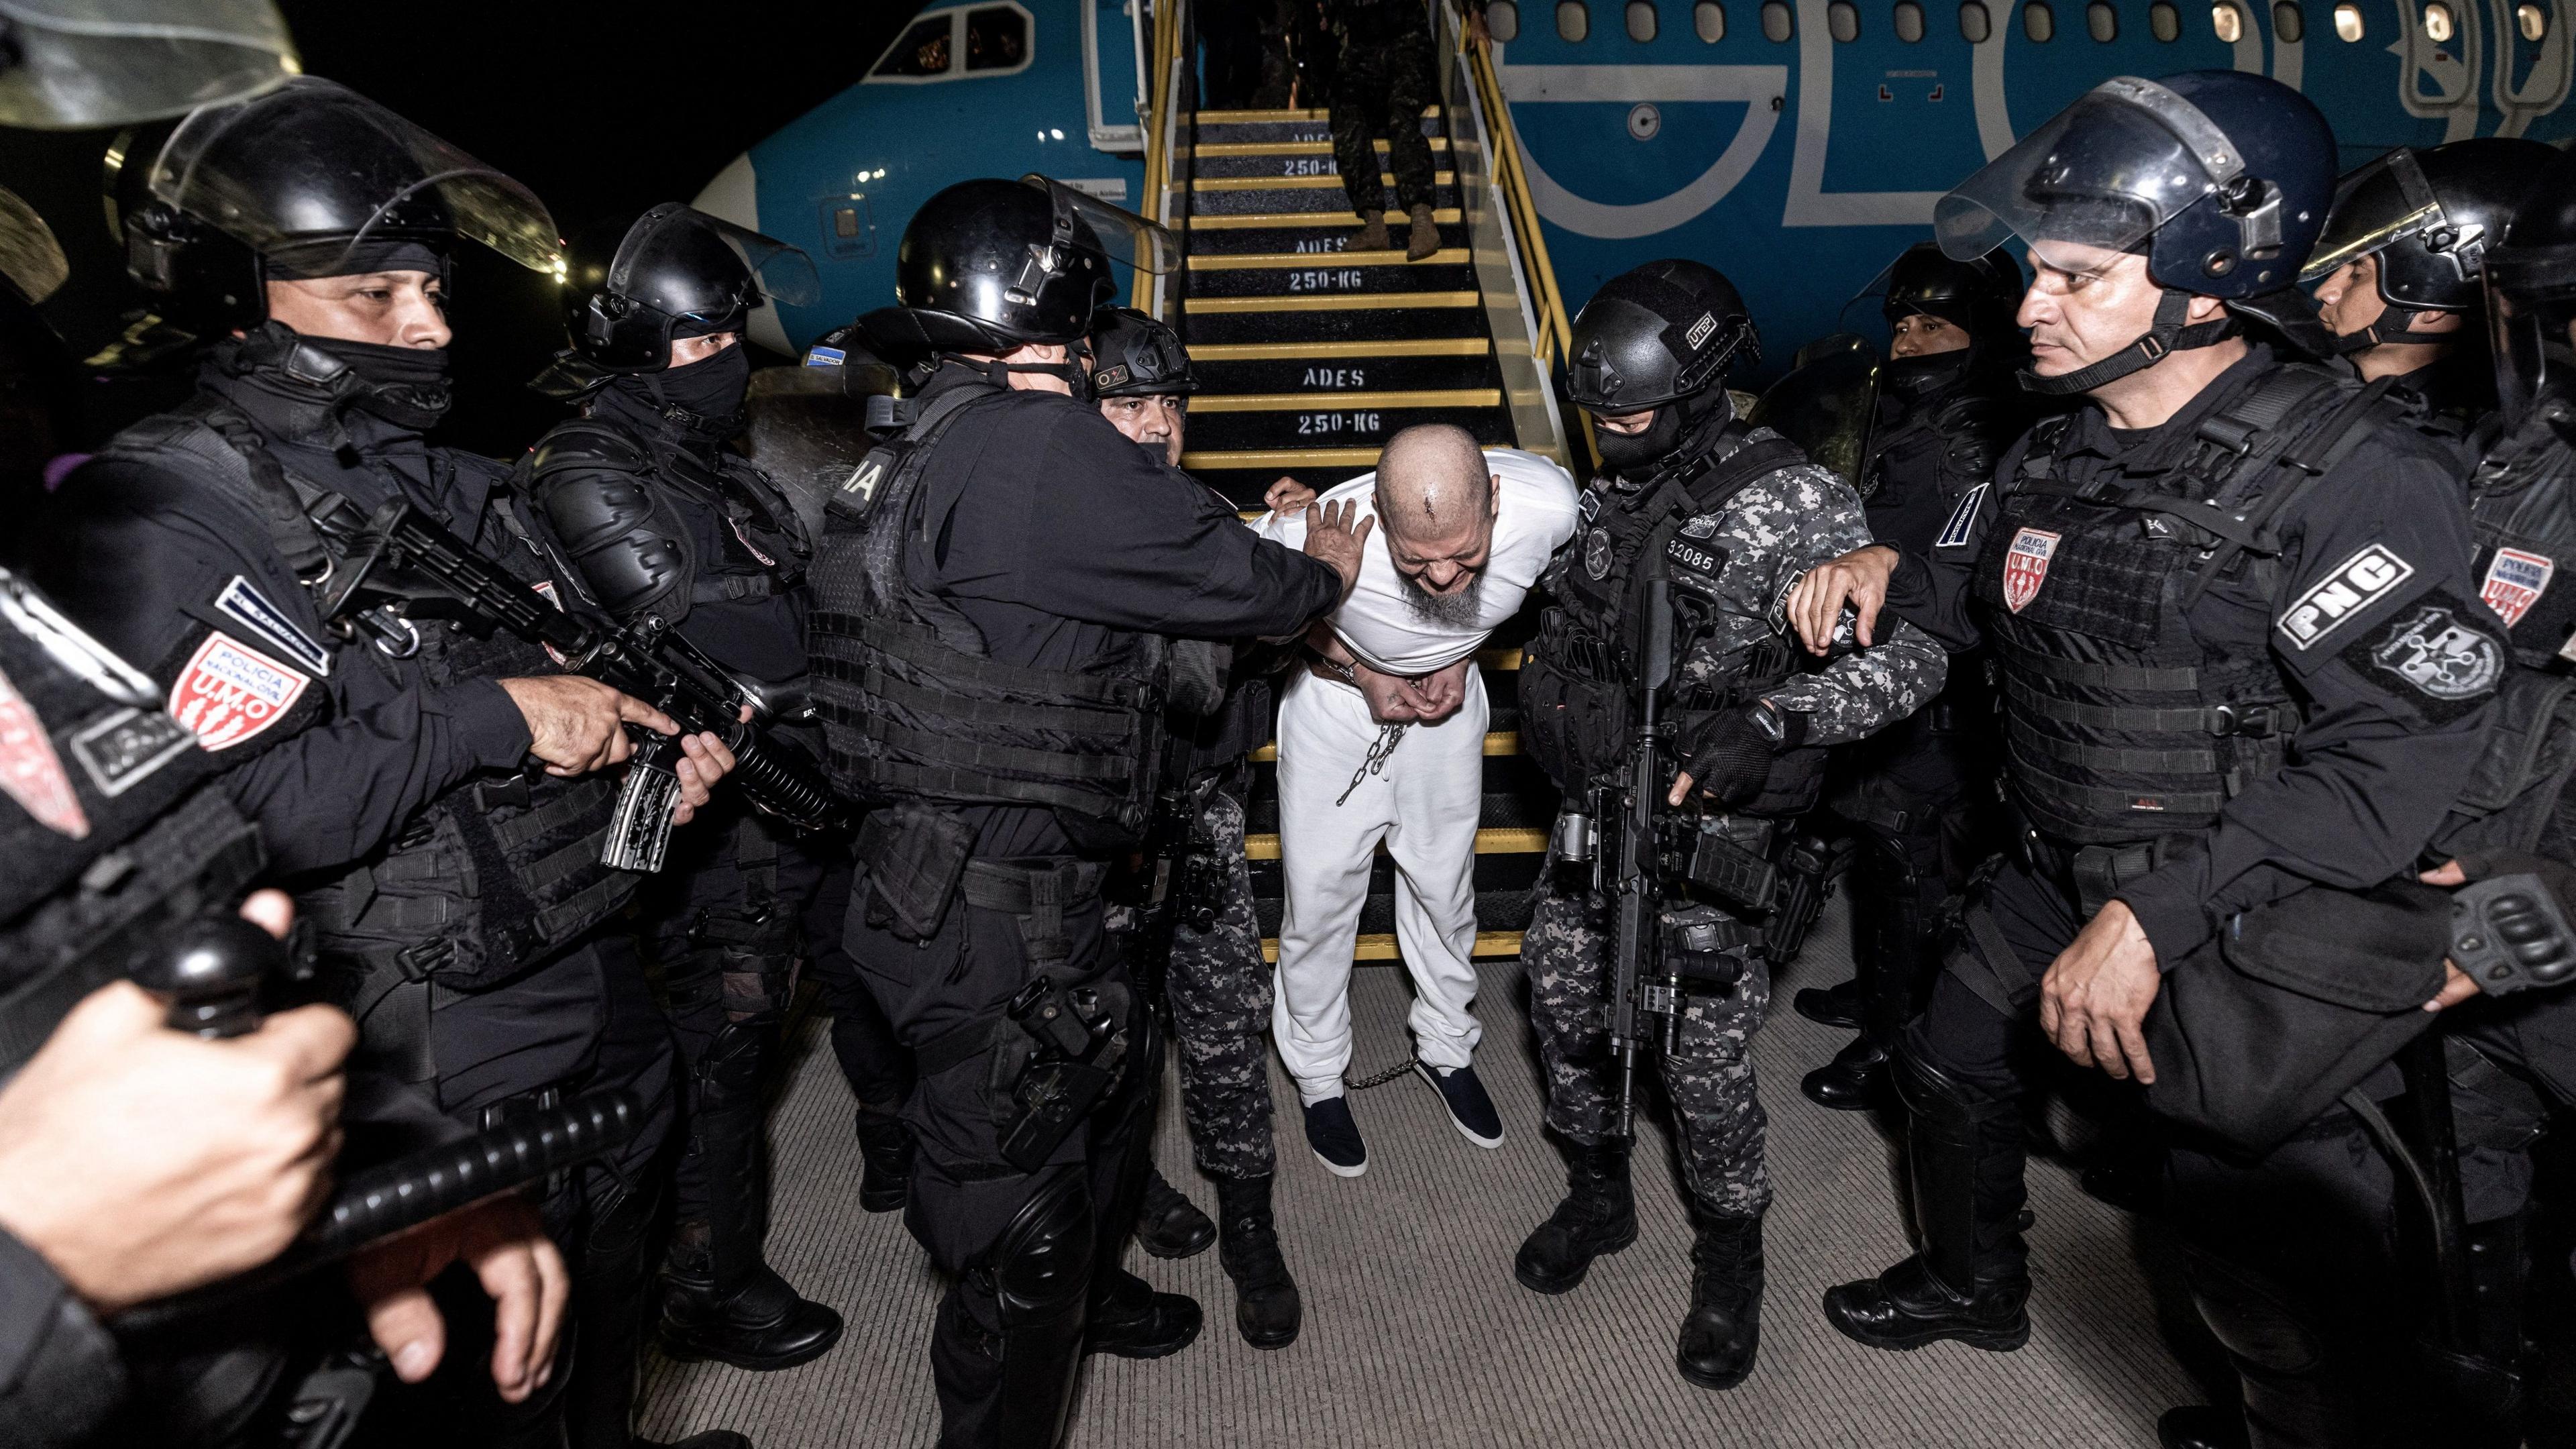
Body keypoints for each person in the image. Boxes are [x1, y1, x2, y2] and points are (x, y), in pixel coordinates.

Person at [32, 78, 746, 1449]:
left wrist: (654, 787)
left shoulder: (435, 476)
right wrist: (495, 722)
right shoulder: (174, 514)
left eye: (429, 287)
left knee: (603, 1307)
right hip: (425, 1040)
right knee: (476, 1381)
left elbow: (565, 702)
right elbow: (218, 820)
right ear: (242, 295)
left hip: (585, 964)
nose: (427, 327)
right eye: (375, 298)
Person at [1784, 76, 2503, 1418]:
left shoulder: (2351, 478)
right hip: (2061, 847)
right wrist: (1889, 562)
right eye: (2033, 272)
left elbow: (2387, 765)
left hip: (2238, 893)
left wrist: (2154, 914)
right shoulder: (2059, 452)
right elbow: (1980, 602)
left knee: (2252, 1248)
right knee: (1945, 1056)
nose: (2031, 305)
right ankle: (1974, 1281)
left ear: (2208, 288)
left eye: (2075, 278)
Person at [809, 175, 1361, 1448]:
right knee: (1022, 1245)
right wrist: (1321, 563)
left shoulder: (908, 444)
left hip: (922, 882)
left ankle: (1092, 1302)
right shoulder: (1046, 446)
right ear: (1068, 309)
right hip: (1003, 920)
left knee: (1075, 1147)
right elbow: (1259, 588)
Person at [0, 566, 564, 1448]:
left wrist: (380, 1159)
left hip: (267, 1343)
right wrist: (33, 1254)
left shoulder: (34, 645)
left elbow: (170, 952)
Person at [1513, 258, 1949, 1392]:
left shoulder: (1792, 501)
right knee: (1567, 1013)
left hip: (1718, 845)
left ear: (1702, 388)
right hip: (1597, 822)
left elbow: (1909, 657)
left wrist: (1777, 716)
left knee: (1701, 1065)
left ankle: (1729, 1254)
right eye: (1597, 414)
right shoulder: (1611, 490)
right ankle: (1599, 1194)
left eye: (1635, 412)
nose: (1612, 431)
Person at [517, 204, 855, 1374]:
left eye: (728, 342)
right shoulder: (587, 470)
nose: (722, 367)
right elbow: (716, 646)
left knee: (775, 1030)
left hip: (778, 788)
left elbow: (793, 611)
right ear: (632, 351)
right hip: (683, 806)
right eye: (695, 347)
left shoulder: (710, 467)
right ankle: (706, 1281)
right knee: (715, 1048)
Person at [1257, 427, 1578, 1173]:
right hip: (1338, 712)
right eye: (1413, 559)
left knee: (1444, 889)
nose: (1439, 578)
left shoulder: (1547, 503)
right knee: (1321, 901)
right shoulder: (1317, 527)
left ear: (1495, 501)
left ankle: (1446, 1048)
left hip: (1446, 714)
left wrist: (1464, 652)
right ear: (1377, 510)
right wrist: (1361, 669)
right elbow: (1249, 609)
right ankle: (1318, 1074)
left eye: (1464, 555)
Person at [1087, 305, 1311, 1348]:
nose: (1154, 423)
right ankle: (1129, 1190)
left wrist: (1292, 557)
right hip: (1093, 835)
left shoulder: (1211, 521)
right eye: (1128, 401)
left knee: (1225, 1032)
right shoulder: (1060, 531)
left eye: (1169, 403)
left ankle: (1251, 1223)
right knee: (1105, 1041)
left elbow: (1271, 640)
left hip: (1202, 817)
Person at [1794, 241, 2025, 1111]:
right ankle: (1876, 987)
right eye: (1902, 321)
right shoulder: (1893, 413)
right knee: (1871, 850)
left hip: (1938, 695)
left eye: (1934, 323)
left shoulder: (1979, 437)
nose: (1909, 339)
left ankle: (1901, 1039)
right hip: (1876, 678)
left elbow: (1961, 581)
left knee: (1916, 871)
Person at [2304, 136, 2556, 438]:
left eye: (2357, 274)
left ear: (2432, 305)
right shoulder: (2311, 389)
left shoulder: (2444, 449)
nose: (2326, 292)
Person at [1324, 0, 1460, 261]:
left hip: (1407, 43)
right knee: (1346, 114)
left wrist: (1475, 13)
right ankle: (1374, 224)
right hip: (1363, 50)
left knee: (1401, 115)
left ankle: (1423, 221)